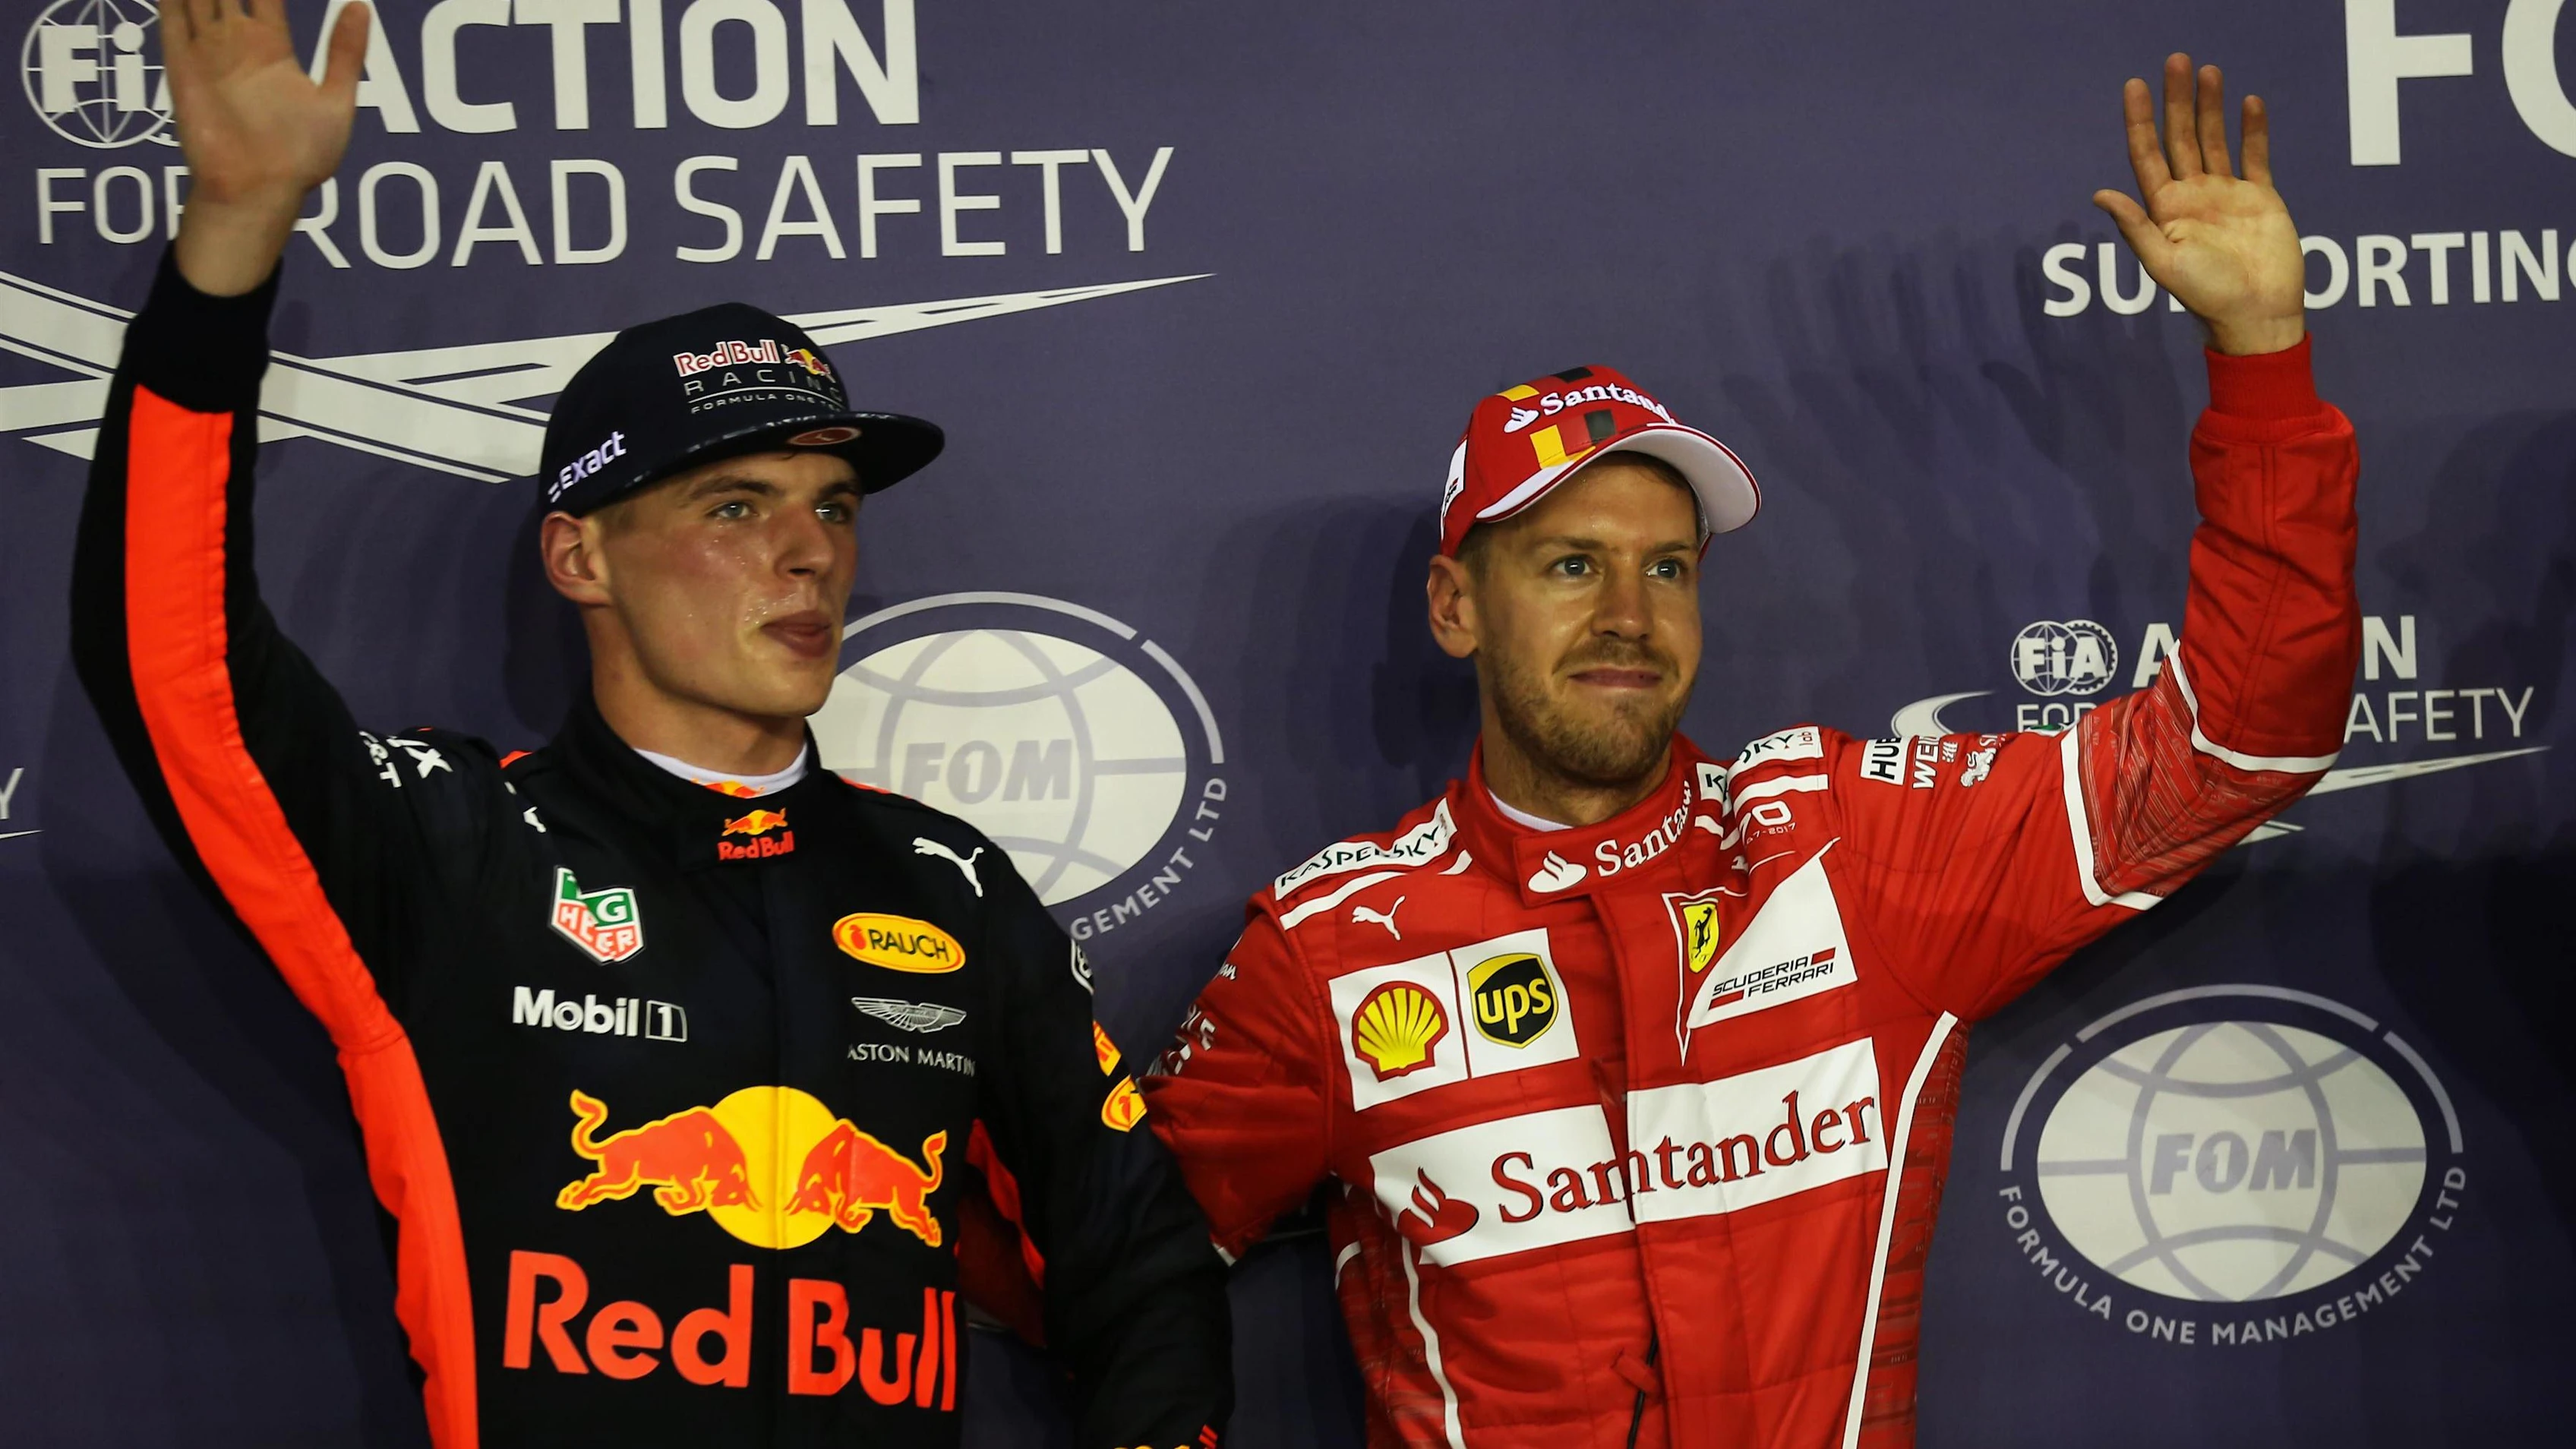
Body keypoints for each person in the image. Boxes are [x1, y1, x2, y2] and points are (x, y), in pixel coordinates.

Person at [1141, 54, 2354, 1449]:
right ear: (1456, 607)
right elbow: (1098, 1264)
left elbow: (2239, 741)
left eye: (1667, 567)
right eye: (1570, 565)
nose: (1628, 614)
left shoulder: (1845, 848)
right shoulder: (1331, 951)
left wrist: (2263, 358)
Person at [68, 3, 1230, 1446]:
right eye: (735, 506)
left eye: (833, 507)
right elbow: (173, 666)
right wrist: (234, 239)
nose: (808, 554)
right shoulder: (449, 844)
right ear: (582, 558)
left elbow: (1140, 1263)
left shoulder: (948, 885)